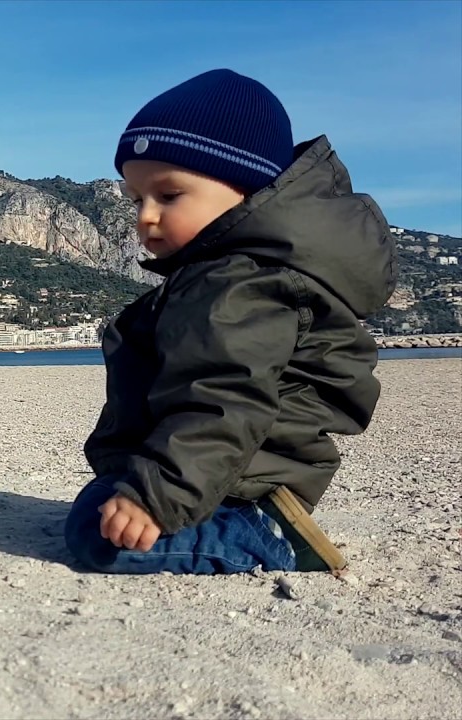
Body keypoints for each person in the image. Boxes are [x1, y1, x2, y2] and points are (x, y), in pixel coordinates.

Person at [62, 68, 398, 575]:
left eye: (168, 196)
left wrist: (157, 495)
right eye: (137, 200)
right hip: (221, 469)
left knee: (96, 536)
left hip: (248, 478)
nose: (145, 217)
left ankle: (264, 535)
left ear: (248, 192)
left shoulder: (242, 286)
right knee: (103, 503)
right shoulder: (219, 277)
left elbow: (223, 398)